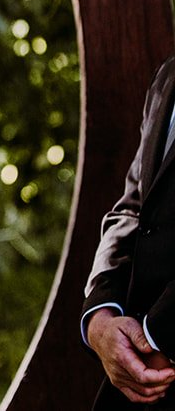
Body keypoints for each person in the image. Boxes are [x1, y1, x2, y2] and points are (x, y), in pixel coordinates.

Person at [83, 55, 175, 408]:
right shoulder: (167, 75)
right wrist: (100, 318)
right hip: (132, 387)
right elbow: (133, 207)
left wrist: (155, 338)